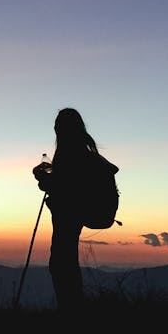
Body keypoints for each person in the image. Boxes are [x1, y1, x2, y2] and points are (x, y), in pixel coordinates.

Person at [32, 107, 119, 313]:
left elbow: (66, 187)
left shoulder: (70, 155)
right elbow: (67, 185)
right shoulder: (85, 154)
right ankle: (72, 306)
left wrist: (43, 179)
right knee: (64, 260)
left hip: (70, 213)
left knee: (62, 262)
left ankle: (70, 308)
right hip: (82, 211)